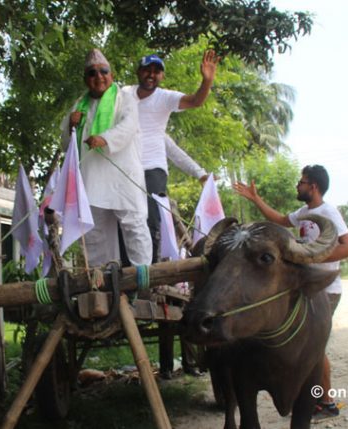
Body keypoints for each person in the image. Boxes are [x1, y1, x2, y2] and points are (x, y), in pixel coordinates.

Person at [121, 51, 219, 379]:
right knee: (124, 218)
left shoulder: (164, 100)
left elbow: (194, 102)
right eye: (146, 69)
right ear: (138, 72)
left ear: (161, 76)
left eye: (156, 71)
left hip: (152, 170)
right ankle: (125, 270)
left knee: (149, 218)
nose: (151, 75)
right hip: (126, 168)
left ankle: (144, 277)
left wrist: (206, 82)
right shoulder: (123, 96)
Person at [233, 164, 348, 422]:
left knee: (314, 349)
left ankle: (326, 401)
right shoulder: (304, 212)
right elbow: (279, 220)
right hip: (303, 285)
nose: (297, 186)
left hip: (324, 287)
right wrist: (255, 199)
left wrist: (310, 257)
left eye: (301, 182)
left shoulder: (328, 211)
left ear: (313, 186)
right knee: (305, 346)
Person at [59, 48, 151, 268]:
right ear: (86, 79)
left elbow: (128, 127)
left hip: (123, 177)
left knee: (134, 225)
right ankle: (102, 278)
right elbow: (65, 144)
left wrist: (105, 139)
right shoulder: (78, 106)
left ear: (111, 74)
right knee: (94, 231)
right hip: (92, 180)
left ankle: (144, 275)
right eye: (92, 73)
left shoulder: (125, 99)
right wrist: (71, 124)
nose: (98, 76)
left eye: (103, 71)